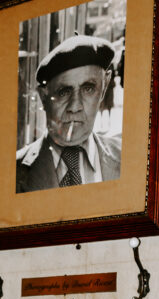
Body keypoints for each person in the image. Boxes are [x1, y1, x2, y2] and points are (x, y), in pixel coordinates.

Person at [16, 34, 121, 193]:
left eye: (88, 89)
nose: (75, 106)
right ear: (44, 97)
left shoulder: (131, 159)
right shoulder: (14, 172)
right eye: (64, 92)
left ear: (104, 87)